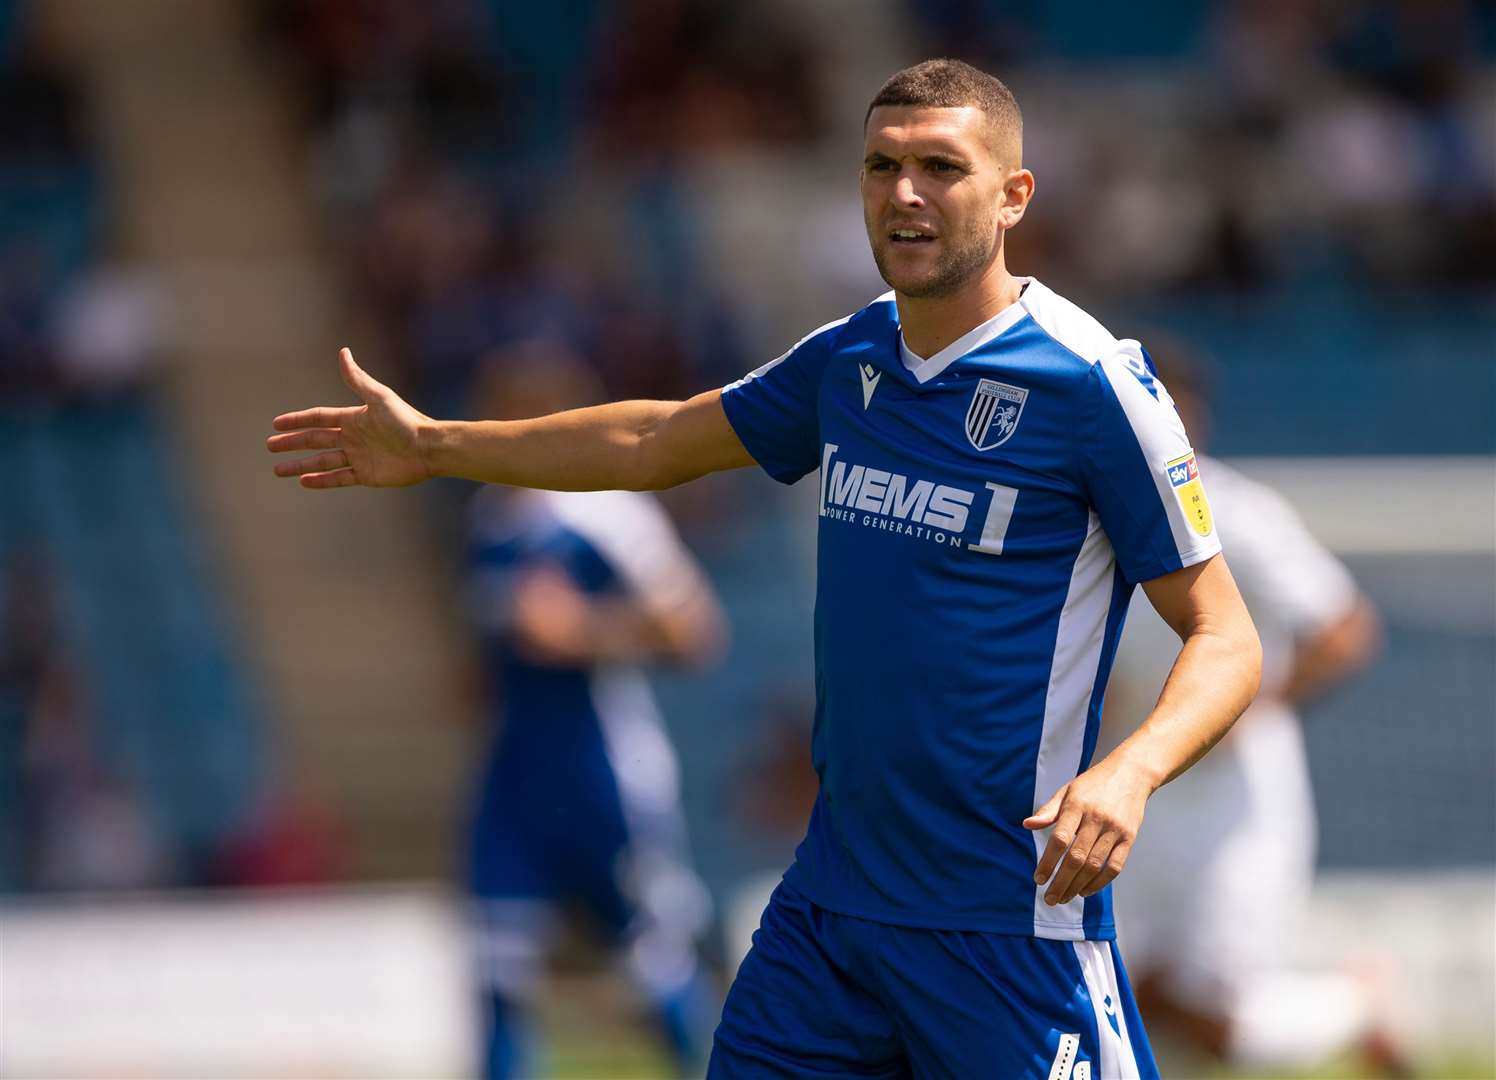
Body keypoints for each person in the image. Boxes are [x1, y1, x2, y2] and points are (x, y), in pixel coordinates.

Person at [269, 59, 1262, 1079]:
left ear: (1011, 195)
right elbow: (653, 440)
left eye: (938, 166)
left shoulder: (1094, 387)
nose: (903, 193)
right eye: (880, 166)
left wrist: (1129, 773)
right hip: (831, 915)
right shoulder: (852, 358)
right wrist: (437, 446)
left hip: (1004, 917)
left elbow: (1225, 637)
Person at [1096, 346, 1399, 1076]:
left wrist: (1247, 711)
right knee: (1121, 996)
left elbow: (1345, 627)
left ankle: (1357, 1004)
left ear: (1188, 416)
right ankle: (1354, 1006)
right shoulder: (1085, 518)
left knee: (1214, 1018)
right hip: (1135, 780)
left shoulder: (1238, 514)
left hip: (1231, 802)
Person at [461, 348, 725, 1078]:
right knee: (495, 967)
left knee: (651, 962)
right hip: (515, 773)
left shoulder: (605, 513)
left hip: (601, 772)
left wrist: (581, 630)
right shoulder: (488, 518)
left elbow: (694, 631)